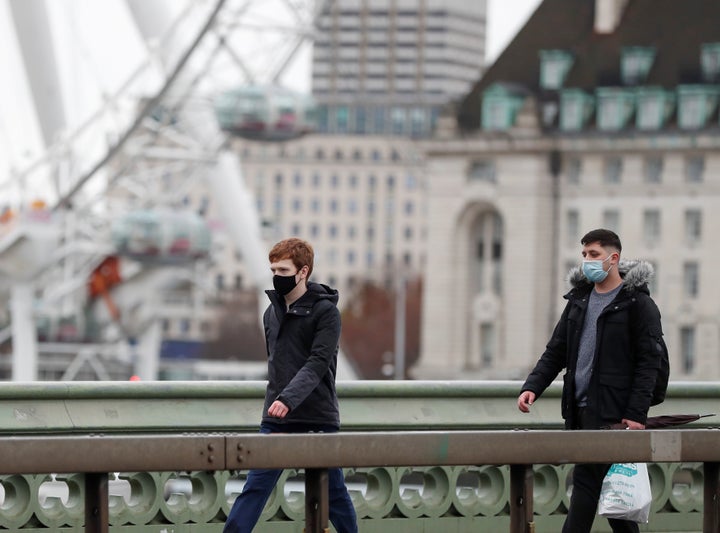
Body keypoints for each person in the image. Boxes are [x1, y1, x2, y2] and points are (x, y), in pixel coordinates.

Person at [517, 228, 664, 533]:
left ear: (614, 258)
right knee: (615, 502)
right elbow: (556, 351)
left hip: (616, 415)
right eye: (584, 254)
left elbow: (650, 363)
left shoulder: (637, 304)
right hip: (582, 410)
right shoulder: (579, 301)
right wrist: (532, 387)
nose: (586, 261)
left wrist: (636, 415)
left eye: (594, 255)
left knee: (589, 489)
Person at [224, 238, 358, 533]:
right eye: (273, 268)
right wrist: (278, 403)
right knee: (254, 490)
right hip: (276, 419)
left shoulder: (326, 313)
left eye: (283, 269)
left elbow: (318, 363)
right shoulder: (270, 313)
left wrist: (288, 398)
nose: (276, 275)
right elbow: (276, 365)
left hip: (317, 418)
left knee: (334, 496)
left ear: (303, 272)